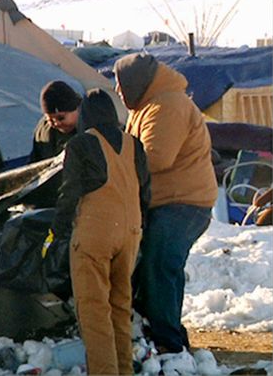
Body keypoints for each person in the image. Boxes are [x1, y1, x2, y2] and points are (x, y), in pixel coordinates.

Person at [114, 53, 218, 354]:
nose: (118, 91)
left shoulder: (167, 105)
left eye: (121, 84)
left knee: (159, 266)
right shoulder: (150, 103)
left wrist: (113, 165)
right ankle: (168, 335)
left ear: (136, 82)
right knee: (161, 269)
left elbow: (155, 157)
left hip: (183, 202)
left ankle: (168, 344)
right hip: (170, 201)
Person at [49, 88, 150, 375]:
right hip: (130, 234)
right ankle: (124, 370)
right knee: (120, 306)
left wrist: (55, 234)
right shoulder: (135, 144)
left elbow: (69, 195)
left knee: (94, 310)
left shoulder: (81, 145)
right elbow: (146, 193)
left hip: (95, 236)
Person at [24, 80, 82, 208]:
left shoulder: (92, 130)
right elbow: (35, 166)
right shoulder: (43, 131)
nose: (56, 123)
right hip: (52, 202)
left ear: (76, 109)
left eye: (61, 118)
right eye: (50, 120)